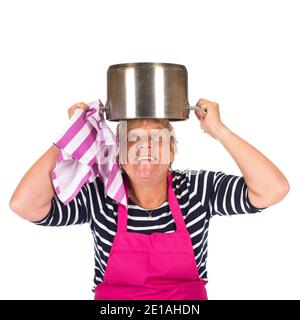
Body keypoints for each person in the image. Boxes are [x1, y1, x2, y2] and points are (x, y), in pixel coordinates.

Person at [9, 98, 289, 300]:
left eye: (157, 139)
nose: (145, 148)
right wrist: (71, 137)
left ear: (172, 152)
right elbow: (25, 205)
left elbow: (272, 189)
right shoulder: (100, 194)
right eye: (133, 140)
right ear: (118, 154)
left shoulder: (197, 189)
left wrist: (219, 131)